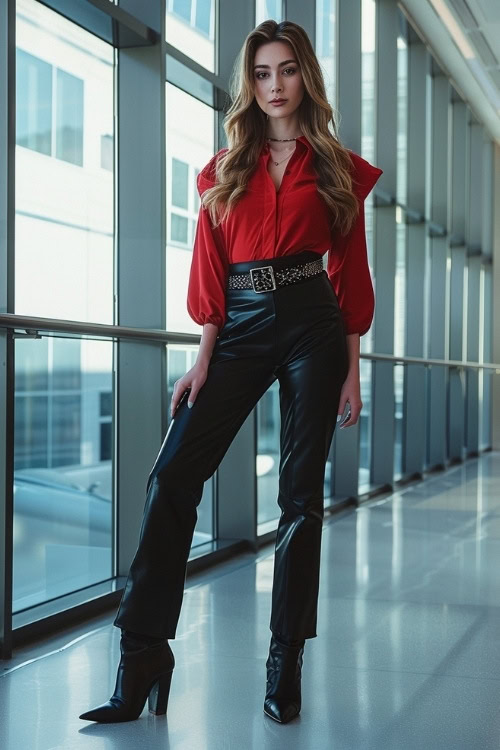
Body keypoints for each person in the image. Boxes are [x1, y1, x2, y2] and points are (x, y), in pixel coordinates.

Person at [79, 19, 383, 725]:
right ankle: (143, 651)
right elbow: (209, 271)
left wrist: (352, 369)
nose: (274, 85)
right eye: (261, 73)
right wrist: (203, 356)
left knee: (300, 499)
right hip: (239, 324)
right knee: (173, 474)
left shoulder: (336, 167)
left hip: (314, 323)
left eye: (285, 70)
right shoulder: (223, 170)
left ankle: (286, 660)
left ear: (305, 75)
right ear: (250, 85)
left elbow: (352, 276)